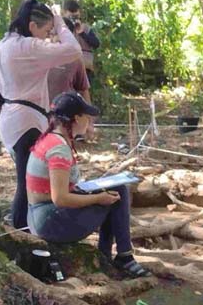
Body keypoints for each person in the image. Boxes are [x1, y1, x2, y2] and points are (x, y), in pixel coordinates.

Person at [26, 92, 150, 278]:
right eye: (87, 116)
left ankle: (109, 255)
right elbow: (59, 198)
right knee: (115, 196)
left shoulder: (52, 138)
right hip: (49, 221)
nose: (89, 121)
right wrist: (98, 198)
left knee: (117, 189)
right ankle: (122, 256)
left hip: (41, 215)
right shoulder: (59, 147)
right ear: (76, 118)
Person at [0, 0, 83, 230]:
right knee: (27, 187)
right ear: (32, 27)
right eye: (47, 30)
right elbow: (73, 50)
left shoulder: (4, 45)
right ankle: (23, 236)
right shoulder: (27, 47)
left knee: (25, 182)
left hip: (13, 118)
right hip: (26, 121)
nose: (48, 35)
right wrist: (60, 22)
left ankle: (24, 233)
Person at [47, 17, 95, 140]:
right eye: (52, 34)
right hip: (41, 116)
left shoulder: (75, 60)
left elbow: (84, 90)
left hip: (64, 120)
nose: (54, 38)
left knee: (62, 153)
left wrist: (89, 122)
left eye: (57, 34)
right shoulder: (41, 55)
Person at [62, 0, 101, 81]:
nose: (73, 17)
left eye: (76, 13)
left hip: (85, 67)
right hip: (66, 66)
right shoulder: (60, 28)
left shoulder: (85, 28)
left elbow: (96, 44)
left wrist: (82, 33)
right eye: (71, 13)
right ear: (64, 12)